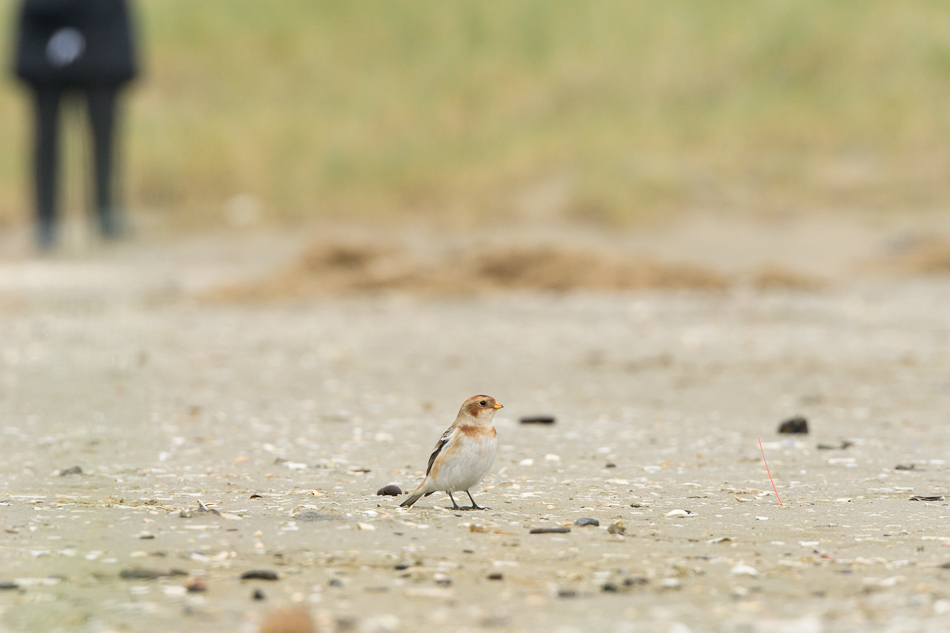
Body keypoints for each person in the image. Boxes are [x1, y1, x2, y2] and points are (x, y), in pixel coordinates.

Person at [12, 0, 139, 248]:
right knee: (46, 136)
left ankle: (105, 211)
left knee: (103, 133)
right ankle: (46, 220)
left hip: (101, 40)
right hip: (44, 33)